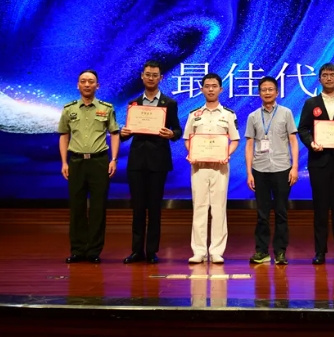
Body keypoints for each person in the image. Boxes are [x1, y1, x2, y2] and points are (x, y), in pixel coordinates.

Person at [121, 61, 182, 264]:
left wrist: (171, 134)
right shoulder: (134, 103)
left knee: (154, 208)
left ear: (161, 78)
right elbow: (127, 133)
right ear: (142, 76)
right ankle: (136, 251)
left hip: (158, 162)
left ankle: (152, 251)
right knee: (138, 208)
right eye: (147, 74)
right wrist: (123, 133)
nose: (151, 78)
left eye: (155, 75)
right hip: (137, 161)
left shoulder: (169, 103)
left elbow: (177, 130)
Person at [297, 63, 334, 265]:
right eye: (325, 75)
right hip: (319, 163)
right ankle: (320, 252)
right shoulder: (310, 103)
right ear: (320, 79)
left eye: (332, 75)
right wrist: (311, 143)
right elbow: (303, 129)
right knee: (320, 209)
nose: (329, 78)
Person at [58, 69, 120, 264]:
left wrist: (114, 159)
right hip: (76, 162)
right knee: (76, 207)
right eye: (83, 81)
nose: (87, 84)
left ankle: (94, 251)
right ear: (78, 85)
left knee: (98, 208)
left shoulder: (106, 108)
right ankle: (77, 250)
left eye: (91, 81)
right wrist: (64, 162)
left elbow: (115, 133)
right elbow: (64, 135)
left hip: (99, 161)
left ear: (97, 86)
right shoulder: (69, 109)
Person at [183, 73, 240, 264]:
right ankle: (199, 251)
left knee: (218, 208)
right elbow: (187, 139)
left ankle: (216, 250)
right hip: (199, 167)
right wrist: (192, 153)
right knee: (199, 207)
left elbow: (235, 140)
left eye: (214, 86)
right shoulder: (194, 114)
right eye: (207, 86)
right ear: (201, 89)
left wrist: (226, 155)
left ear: (220, 89)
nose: (210, 89)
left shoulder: (228, 114)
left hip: (220, 167)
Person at [245, 76, 299, 266]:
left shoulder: (286, 113)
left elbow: (293, 141)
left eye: (270, 89)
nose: (267, 92)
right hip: (259, 169)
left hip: (282, 168)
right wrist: (249, 173)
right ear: (259, 93)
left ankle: (280, 252)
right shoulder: (253, 116)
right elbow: (249, 145)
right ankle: (261, 251)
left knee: (281, 212)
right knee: (262, 213)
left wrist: (294, 167)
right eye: (263, 90)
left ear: (277, 92)